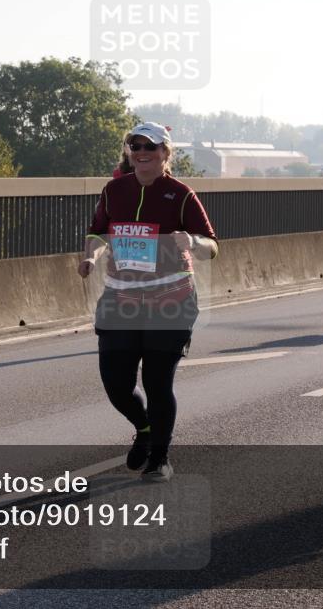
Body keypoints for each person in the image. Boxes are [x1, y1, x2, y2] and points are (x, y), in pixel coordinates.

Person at [78, 122, 218, 482]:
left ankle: (160, 457)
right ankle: (143, 428)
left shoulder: (181, 194)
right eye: (135, 145)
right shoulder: (114, 191)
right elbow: (98, 231)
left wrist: (192, 241)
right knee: (116, 385)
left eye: (150, 146)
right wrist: (92, 256)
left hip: (171, 300)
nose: (142, 151)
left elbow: (211, 246)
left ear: (165, 154)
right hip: (120, 298)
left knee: (157, 384)